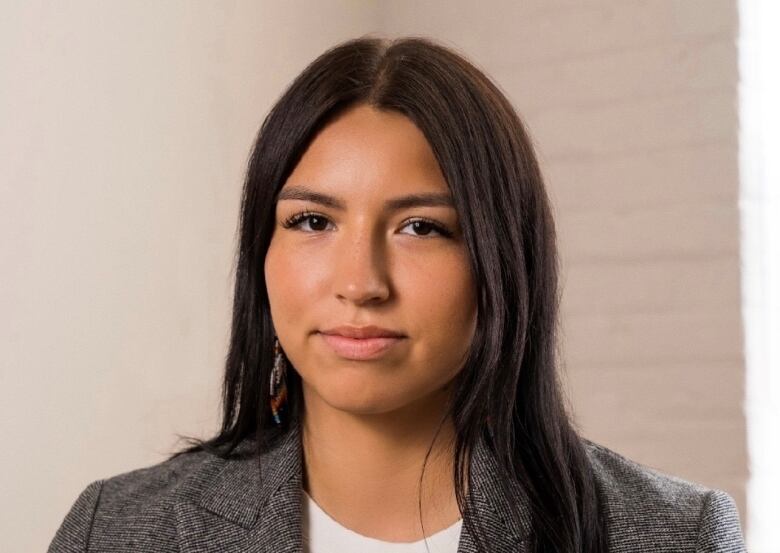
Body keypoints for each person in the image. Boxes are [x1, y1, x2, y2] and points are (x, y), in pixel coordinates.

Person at [48, 36, 747, 553]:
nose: (360, 283)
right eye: (312, 221)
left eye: (422, 227)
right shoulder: (113, 530)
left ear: (503, 259)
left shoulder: (675, 536)